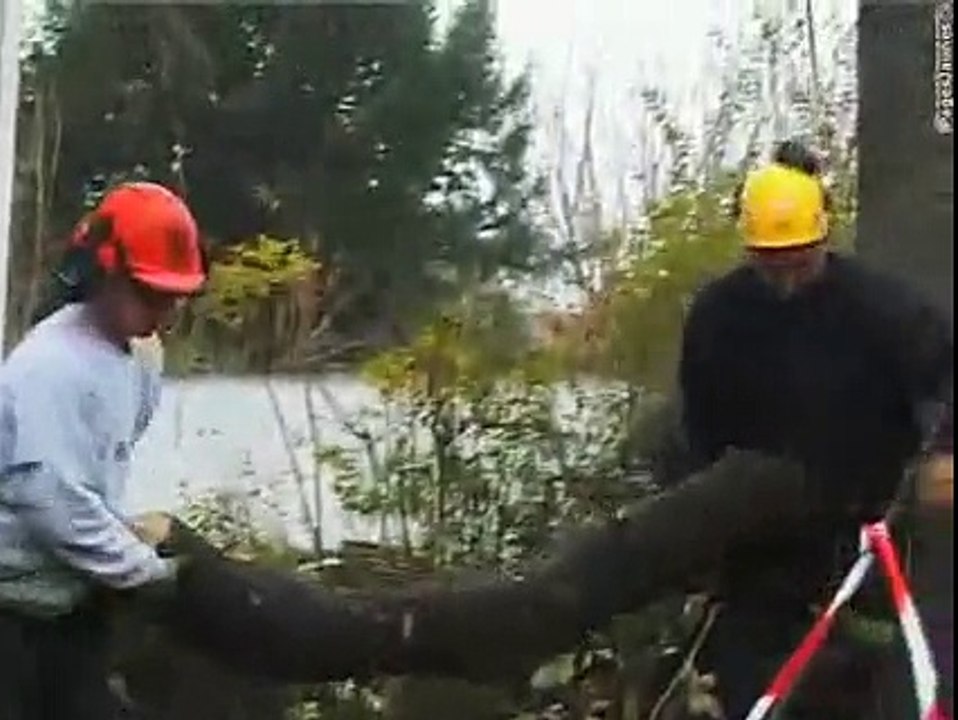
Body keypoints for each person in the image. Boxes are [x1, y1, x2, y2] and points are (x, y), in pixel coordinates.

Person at [675, 141, 953, 718]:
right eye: (769, 263)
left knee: (882, 684)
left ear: (824, 237)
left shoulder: (882, 310)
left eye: (799, 262)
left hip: (869, 536)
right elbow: (697, 429)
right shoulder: (718, 318)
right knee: (762, 692)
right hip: (758, 554)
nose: (784, 281)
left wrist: (945, 453)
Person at [0, 181, 207, 720]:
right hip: (13, 611)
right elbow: (54, 503)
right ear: (102, 273)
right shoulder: (47, 369)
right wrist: (144, 571)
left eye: (172, 298)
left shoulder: (141, 358)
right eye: (149, 295)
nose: (162, 311)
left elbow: (105, 463)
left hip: (72, 605)